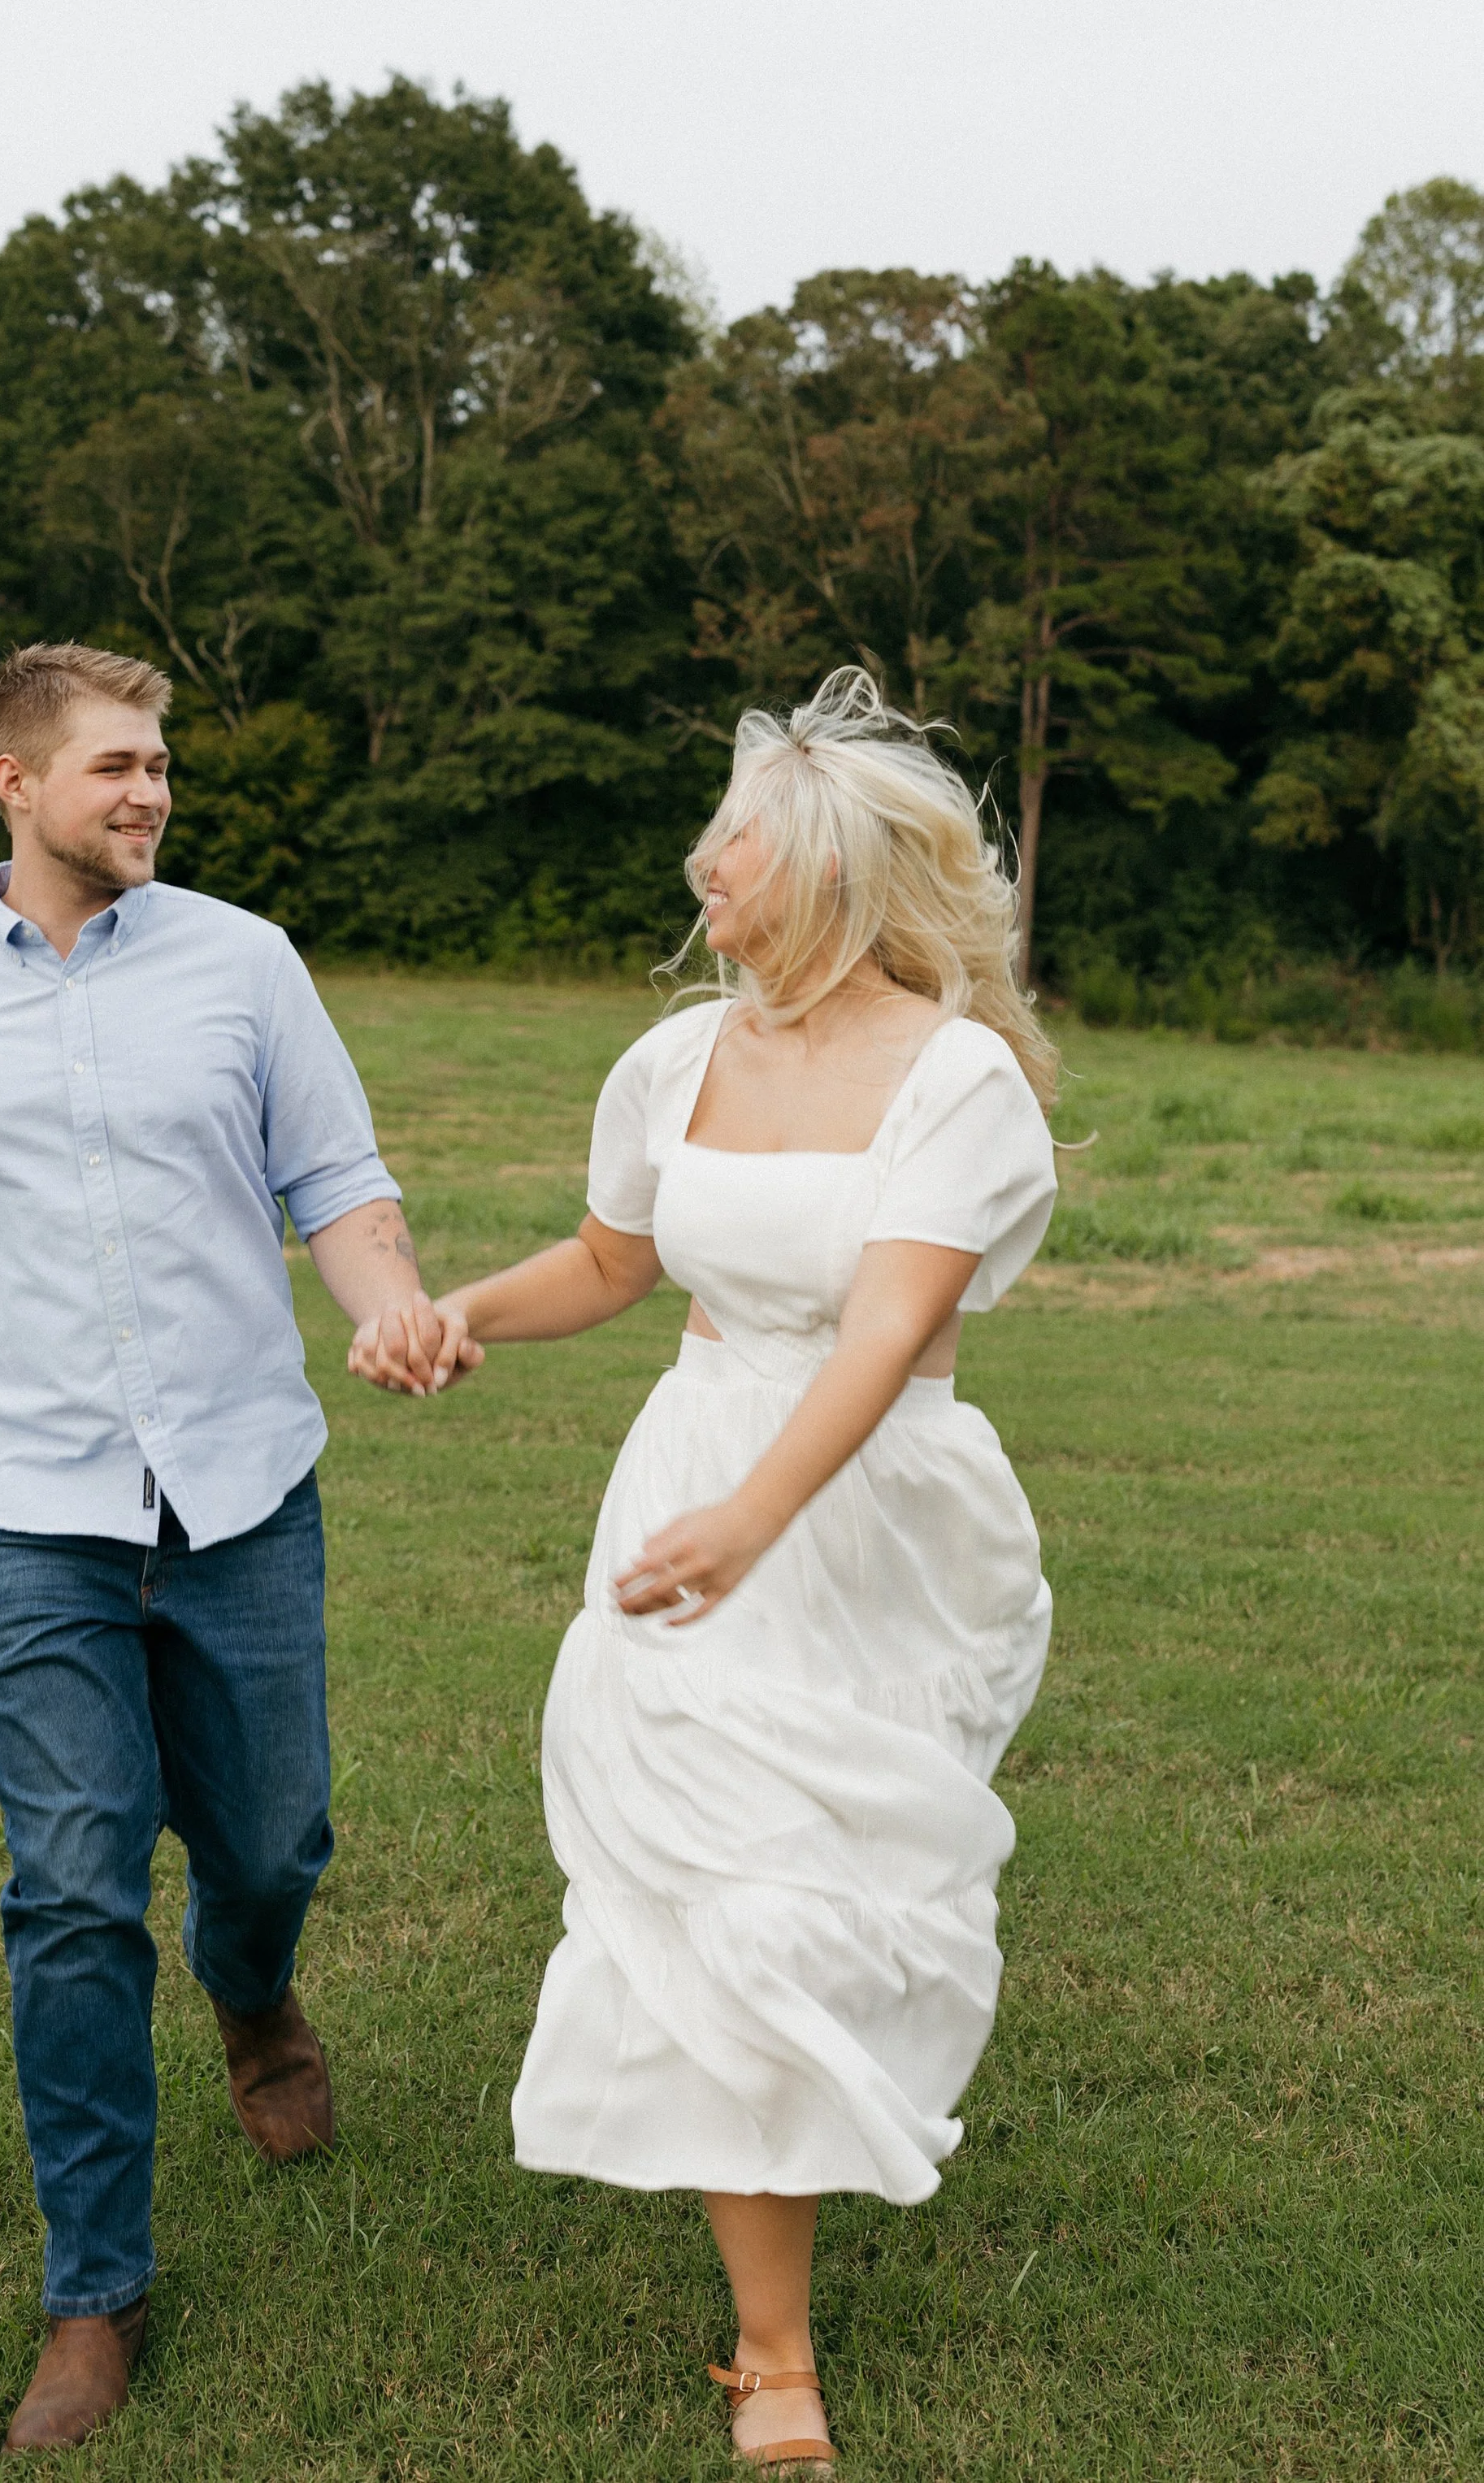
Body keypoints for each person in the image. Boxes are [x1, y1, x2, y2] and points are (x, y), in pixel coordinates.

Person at [0, 640, 457, 2456]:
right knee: (72, 1884)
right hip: (19, 1510)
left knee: (272, 1837)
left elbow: (337, 1181)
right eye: (115, 767)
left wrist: (386, 1304)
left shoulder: (246, 963)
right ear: (14, 781)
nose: (149, 791)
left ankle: (254, 1989)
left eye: (158, 764)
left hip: (239, 1490)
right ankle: (95, 2292)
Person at [375, 671, 1057, 2470]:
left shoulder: (958, 1079)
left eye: (732, 850)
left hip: (870, 1522)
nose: (704, 877)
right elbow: (612, 1263)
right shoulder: (676, 1060)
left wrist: (759, 1519)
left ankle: (826, 2129)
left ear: (823, 871)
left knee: (825, 1896)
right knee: (728, 1895)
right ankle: (772, 2350)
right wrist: (459, 1314)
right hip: (687, 1486)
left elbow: (882, 1331)